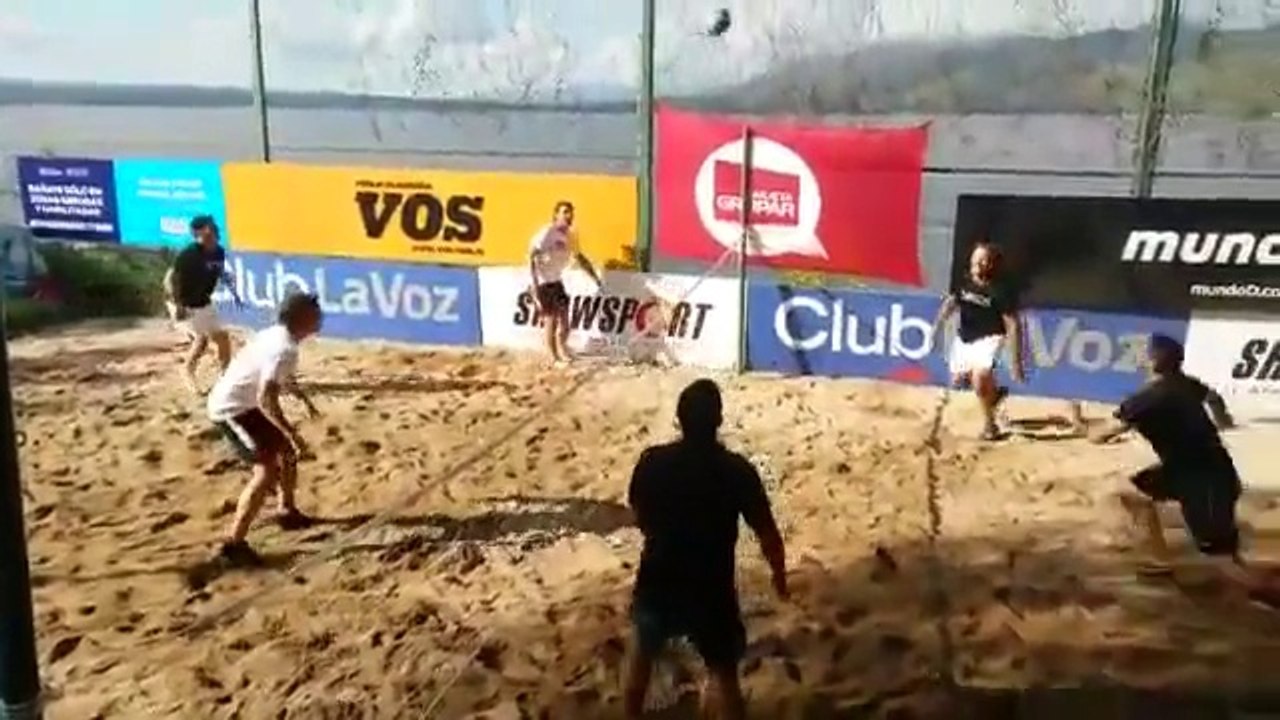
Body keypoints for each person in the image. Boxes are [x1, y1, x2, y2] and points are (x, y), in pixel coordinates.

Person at [624, 379, 788, 720]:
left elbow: (640, 518)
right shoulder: (736, 471)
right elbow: (768, 535)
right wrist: (780, 579)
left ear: (679, 419)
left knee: (642, 653)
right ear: (718, 421)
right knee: (724, 672)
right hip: (710, 586)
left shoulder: (652, 463)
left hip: (661, 575)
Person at [206, 291, 323, 566]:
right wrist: (292, 433)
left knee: (287, 454)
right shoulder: (285, 349)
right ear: (303, 318)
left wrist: (303, 400)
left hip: (244, 404)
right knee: (267, 470)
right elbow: (265, 397)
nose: (320, 318)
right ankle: (233, 544)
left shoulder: (277, 336)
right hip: (231, 410)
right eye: (316, 313)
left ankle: (287, 510)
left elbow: (277, 377)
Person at [933, 242, 1026, 440]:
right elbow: (951, 302)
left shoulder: (1000, 290)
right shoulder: (965, 281)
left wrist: (1016, 362)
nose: (977, 263)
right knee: (959, 381)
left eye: (982, 259)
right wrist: (937, 328)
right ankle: (994, 395)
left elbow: (1014, 325)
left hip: (991, 337)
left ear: (990, 264)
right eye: (975, 258)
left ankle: (989, 427)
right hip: (965, 337)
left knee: (980, 378)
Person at [163, 215, 242, 394]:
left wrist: (232, 289)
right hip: (183, 303)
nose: (213, 230)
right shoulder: (189, 254)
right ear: (199, 233)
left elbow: (218, 272)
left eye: (213, 227)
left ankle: (225, 377)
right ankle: (187, 371)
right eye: (209, 228)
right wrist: (179, 305)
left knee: (222, 338)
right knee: (202, 339)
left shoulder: (218, 251)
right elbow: (170, 280)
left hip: (203, 301)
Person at [528, 200, 601, 365]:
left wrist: (593, 276)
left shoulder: (570, 235)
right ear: (556, 215)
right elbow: (531, 256)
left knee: (566, 321)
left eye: (570, 212)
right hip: (543, 281)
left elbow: (580, 258)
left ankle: (563, 348)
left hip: (556, 280)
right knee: (551, 321)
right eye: (565, 212)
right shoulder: (547, 232)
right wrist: (534, 285)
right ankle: (553, 358)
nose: (569, 215)